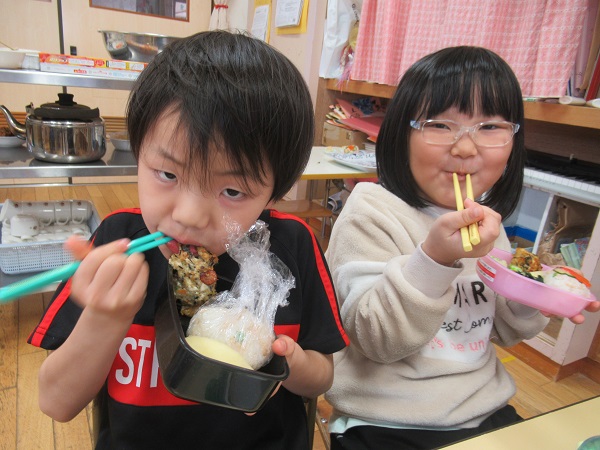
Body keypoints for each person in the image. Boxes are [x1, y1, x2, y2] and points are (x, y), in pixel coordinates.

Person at [28, 31, 349, 449]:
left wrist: (288, 364)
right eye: (168, 174)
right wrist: (104, 319)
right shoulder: (116, 244)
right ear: (138, 153)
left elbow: (322, 377)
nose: (189, 216)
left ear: (274, 194)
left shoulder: (292, 245)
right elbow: (55, 402)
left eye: (232, 191)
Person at [324, 46, 600, 450]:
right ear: (401, 133)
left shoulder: (485, 221)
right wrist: (435, 259)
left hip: (484, 409)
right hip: (384, 418)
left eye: (490, 127)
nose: (466, 148)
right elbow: (376, 340)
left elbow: (503, 330)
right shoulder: (372, 211)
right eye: (439, 125)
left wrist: (537, 297)